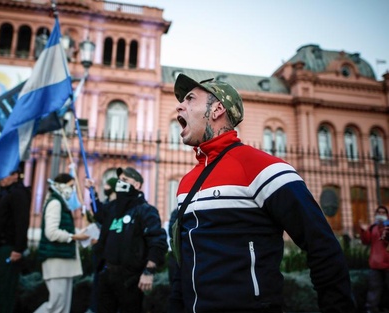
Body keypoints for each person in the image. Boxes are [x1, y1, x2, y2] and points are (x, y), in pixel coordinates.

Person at [169, 74, 356, 313]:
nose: (179, 105)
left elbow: (322, 246)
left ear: (216, 110)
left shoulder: (264, 169)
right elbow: (183, 260)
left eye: (190, 99)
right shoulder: (186, 182)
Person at [85, 167, 168, 313]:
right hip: (107, 275)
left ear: (136, 185)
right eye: (119, 180)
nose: (119, 183)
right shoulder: (113, 208)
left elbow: (157, 241)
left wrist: (149, 271)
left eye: (125, 180)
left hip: (130, 280)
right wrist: (93, 192)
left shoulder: (145, 210)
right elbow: (99, 214)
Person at [34, 173, 90, 313]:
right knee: (56, 305)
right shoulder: (55, 203)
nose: (72, 190)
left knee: (63, 307)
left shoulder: (61, 203)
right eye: (71, 186)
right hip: (56, 260)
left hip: (63, 260)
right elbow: (51, 232)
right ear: (62, 186)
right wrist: (74, 236)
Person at [0, 170, 31, 313]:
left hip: (9, 249)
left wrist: (18, 248)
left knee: (6, 289)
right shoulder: (10, 193)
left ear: (15, 176)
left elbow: (22, 221)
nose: (1, 177)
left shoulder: (18, 193)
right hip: (4, 247)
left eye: (5, 174)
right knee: (3, 288)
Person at [85, 176, 118, 313]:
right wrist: (92, 191)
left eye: (107, 185)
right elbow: (98, 212)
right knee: (98, 283)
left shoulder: (118, 206)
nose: (105, 187)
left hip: (111, 253)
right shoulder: (107, 204)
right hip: (101, 251)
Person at [359, 206, 389, 313]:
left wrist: (383, 229)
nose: (380, 214)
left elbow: (386, 241)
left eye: (383, 212)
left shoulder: (387, 227)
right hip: (375, 264)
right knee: (374, 289)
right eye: (378, 212)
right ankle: (372, 309)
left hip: (387, 263)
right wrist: (363, 230)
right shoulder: (373, 227)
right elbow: (366, 241)